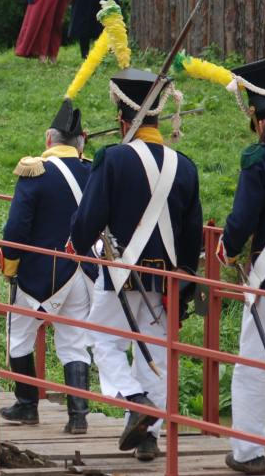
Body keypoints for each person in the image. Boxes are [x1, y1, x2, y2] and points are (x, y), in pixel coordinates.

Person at [69, 68, 203, 462]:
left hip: (120, 275)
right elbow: (192, 234)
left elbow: (88, 219)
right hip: (164, 278)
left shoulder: (112, 158)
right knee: (157, 355)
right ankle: (149, 437)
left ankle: (134, 400)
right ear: (157, 118)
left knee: (100, 337)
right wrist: (184, 283)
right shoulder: (186, 166)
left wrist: (79, 243)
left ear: (122, 119)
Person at [0, 99, 94, 434]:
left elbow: (15, 230)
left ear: (48, 139)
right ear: (80, 143)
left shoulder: (35, 171)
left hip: (42, 274)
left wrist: (10, 264)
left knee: (19, 336)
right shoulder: (92, 172)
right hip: (84, 273)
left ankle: (27, 405)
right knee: (74, 341)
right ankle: (78, 417)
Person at [217, 56, 265, 475]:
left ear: (260, 118)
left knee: (252, 362)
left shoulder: (261, 159)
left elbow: (241, 221)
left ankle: (248, 453)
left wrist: (229, 248)